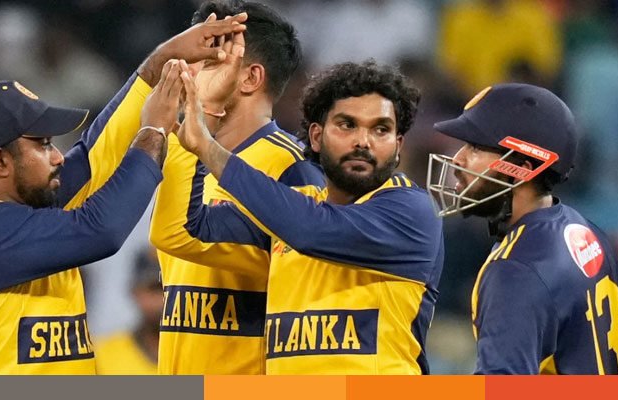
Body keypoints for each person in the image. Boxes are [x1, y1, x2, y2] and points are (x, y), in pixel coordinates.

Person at [0, 15, 247, 375]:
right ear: (0, 161)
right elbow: (101, 230)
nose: (57, 156)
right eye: (43, 145)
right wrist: (154, 130)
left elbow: (93, 158)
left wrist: (159, 63)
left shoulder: (29, 205)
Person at [169, 59, 444, 374]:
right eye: (347, 124)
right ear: (316, 136)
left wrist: (208, 148)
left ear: (398, 146)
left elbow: (311, 230)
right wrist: (188, 132)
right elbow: (188, 229)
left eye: (381, 129)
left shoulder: (412, 211)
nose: (363, 141)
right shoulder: (297, 208)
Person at [149, 0, 323, 374]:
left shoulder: (295, 170)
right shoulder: (180, 157)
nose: (187, 71)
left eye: (207, 62)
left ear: (250, 78)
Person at [426, 83, 618, 374]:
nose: (458, 159)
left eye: (476, 147)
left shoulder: (515, 271)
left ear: (523, 167)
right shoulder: (586, 231)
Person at [95, 247, 162, 375]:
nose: (166, 299)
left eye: (175, 290)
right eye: (156, 289)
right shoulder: (102, 357)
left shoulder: (201, 355)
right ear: (135, 292)